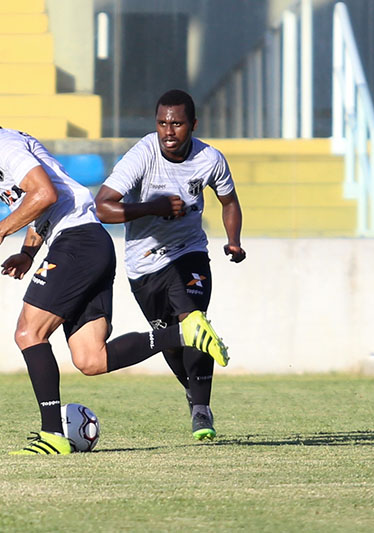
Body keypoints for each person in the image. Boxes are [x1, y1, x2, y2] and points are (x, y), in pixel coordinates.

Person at [0, 81, 228, 455]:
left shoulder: (3, 146)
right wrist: (28, 253)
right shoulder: (1, 150)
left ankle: (51, 436)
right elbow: (43, 203)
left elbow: (45, 193)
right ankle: (183, 333)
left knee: (29, 333)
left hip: (78, 243)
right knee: (91, 359)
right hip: (89, 242)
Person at [94, 89, 245, 440]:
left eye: (176, 123)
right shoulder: (142, 155)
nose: (168, 131)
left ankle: (202, 410)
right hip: (143, 266)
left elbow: (229, 201)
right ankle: (195, 396)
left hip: (189, 253)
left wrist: (233, 240)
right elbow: (103, 207)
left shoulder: (211, 159)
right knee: (173, 341)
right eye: (162, 123)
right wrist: (153, 207)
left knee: (193, 320)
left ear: (192, 124)